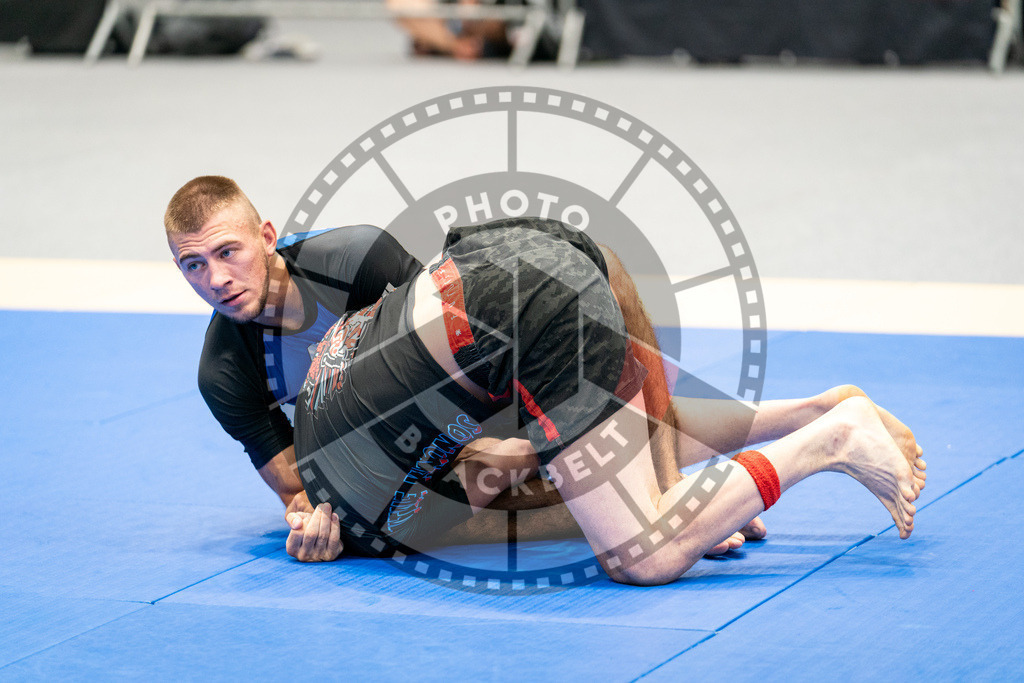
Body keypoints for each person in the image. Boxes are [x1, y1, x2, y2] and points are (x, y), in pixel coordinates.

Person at [292, 216, 927, 584]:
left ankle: (831, 437)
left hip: (517, 311)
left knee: (641, 555)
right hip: (513, 251)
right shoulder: (329, 391)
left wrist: (678, 506)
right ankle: (813, 410)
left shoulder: (399, 512)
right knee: (589, 445)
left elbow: (538, 488)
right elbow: (574, 447)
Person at [164, 175, 705, 563]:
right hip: (414, 468)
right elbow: (301, 490)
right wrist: (316, 526)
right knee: (403, 518)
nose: (215, 279)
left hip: (482, 397)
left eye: (227, 252)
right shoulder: (225, 374)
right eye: (194, 265)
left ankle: (665, 481)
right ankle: (634, 500)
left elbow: (460, 333)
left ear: (265, 236)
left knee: (606, 273)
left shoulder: (356, 258)